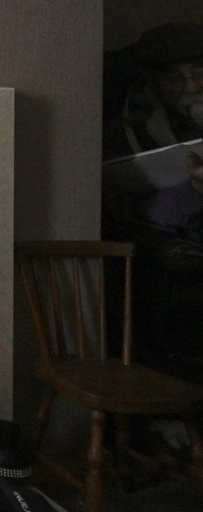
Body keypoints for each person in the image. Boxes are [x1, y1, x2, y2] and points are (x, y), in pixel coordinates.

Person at [102, 23, 203, 374]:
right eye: (175, 79)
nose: (193, 87)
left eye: (200, 73)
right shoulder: (129, 129)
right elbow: (116, 198)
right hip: (169, 236)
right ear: (153, 82)